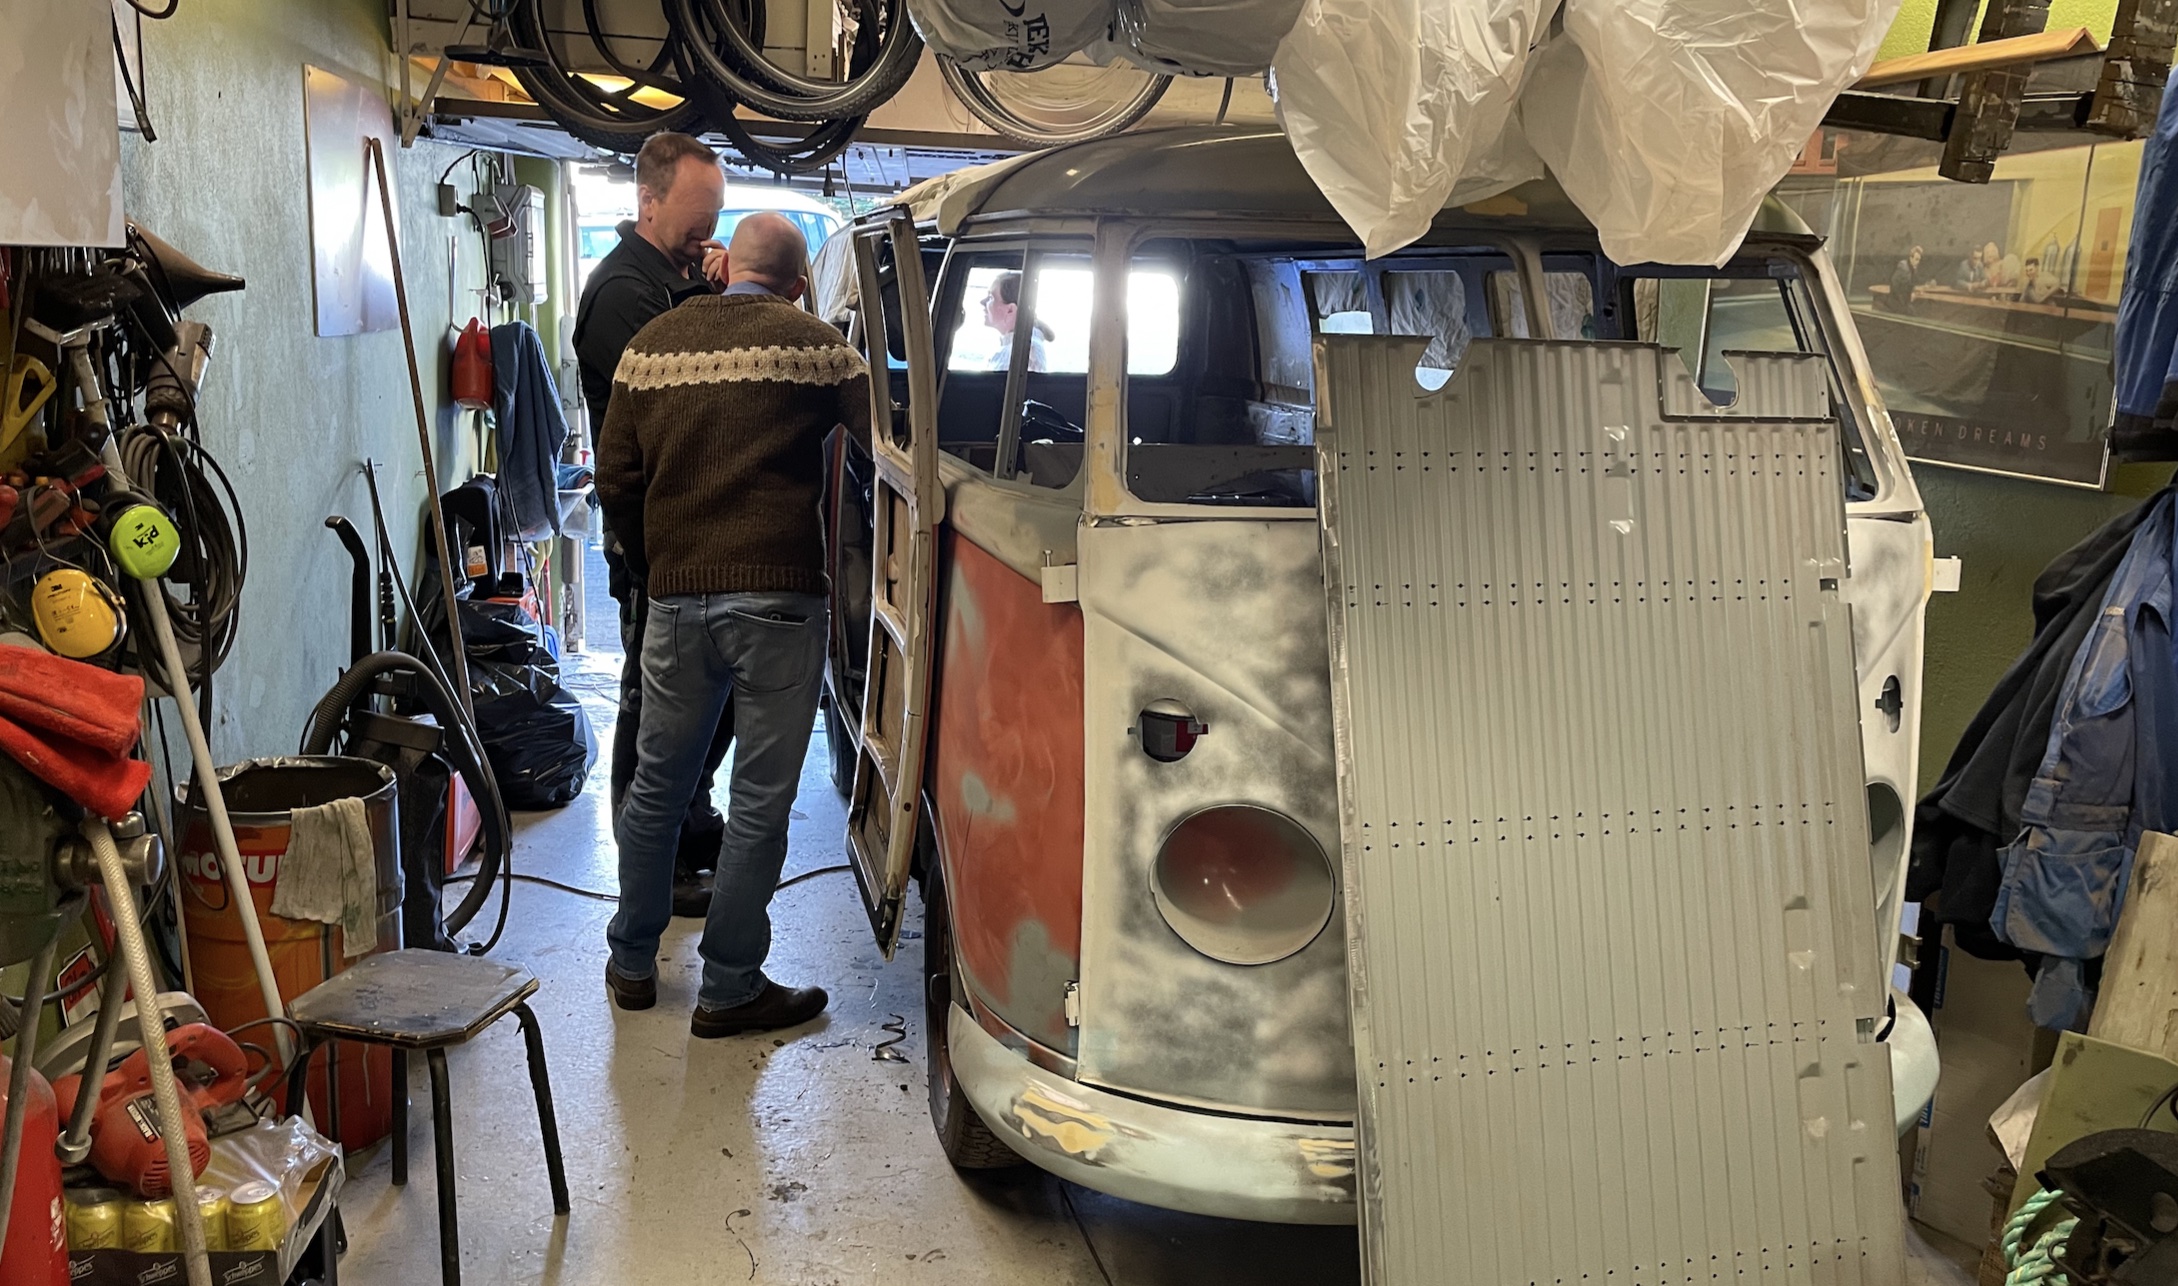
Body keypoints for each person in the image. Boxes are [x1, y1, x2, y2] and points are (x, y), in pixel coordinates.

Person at [596, 213, 872, 1036]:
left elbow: (614, 477)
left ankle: (632, 962)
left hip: (677, 602)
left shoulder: (648, 347)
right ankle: (728, 988)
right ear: (799, 283)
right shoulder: (821, 347)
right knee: (758, 803)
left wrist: (659, 566)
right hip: (781, 603)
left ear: (726, 266)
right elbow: (890, 448)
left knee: (658, 787)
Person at [573, 132, 733, 920]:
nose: (709, 233)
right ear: (647, 200)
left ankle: (690, 827)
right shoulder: (622, 293)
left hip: (698, 524)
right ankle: (651, 874)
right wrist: (723, 303)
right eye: (697, 216)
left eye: (717, 217)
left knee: (712, 696)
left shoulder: (676, 279)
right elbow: (688, 391)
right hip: (650, 531)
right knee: (654, 704)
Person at [983, 270, 1052, 372]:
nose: (982, 302)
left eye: (990, 298)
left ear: (1010, 310)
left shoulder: (1027, 350)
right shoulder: (1015, 347)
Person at [1884, 244, 1923, 313]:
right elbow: (1894, 284)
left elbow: (1909, 284)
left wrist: (1914, 290)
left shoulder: (1913, 268)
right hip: (1897, 302)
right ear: (1911, 258)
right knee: (1913, 314)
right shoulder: (1903, 266)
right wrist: (1906, 299)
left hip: (1904, 302)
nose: (1918, 262)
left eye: (1919, 260)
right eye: (1916, 259)